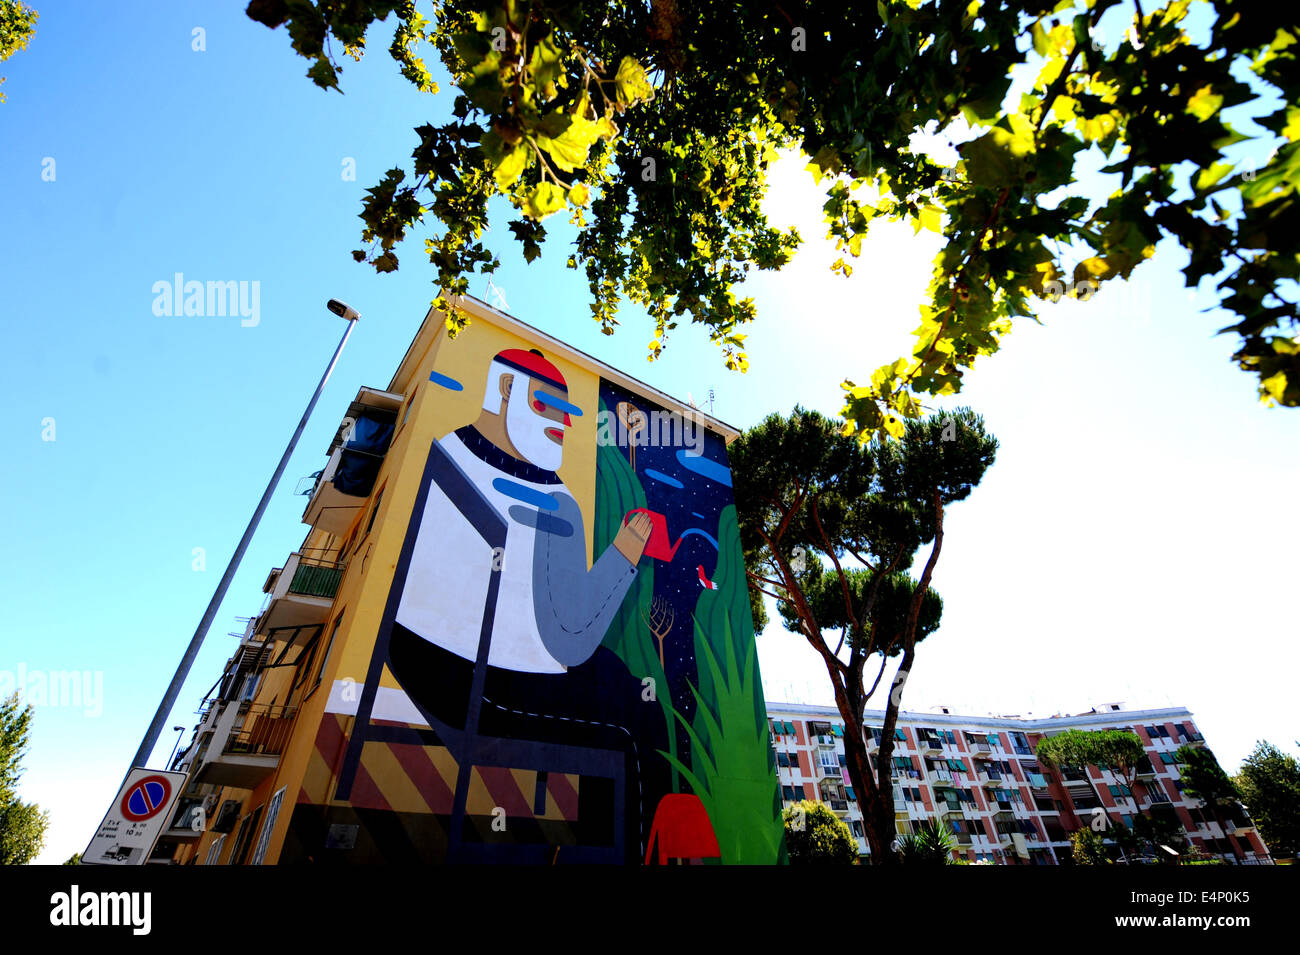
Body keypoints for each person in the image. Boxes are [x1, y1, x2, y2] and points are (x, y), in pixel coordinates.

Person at [387, 347, 667, 859]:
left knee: (619, 678)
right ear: (504, 390)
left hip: (411, 654)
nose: (561, 422)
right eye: (547, 405)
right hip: (481, 687)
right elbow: (571, 639)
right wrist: (625, 554)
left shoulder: (444, 451)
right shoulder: (552, 501)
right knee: (634, 724)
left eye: (566, 413)